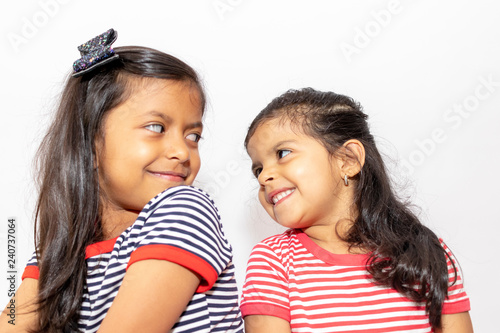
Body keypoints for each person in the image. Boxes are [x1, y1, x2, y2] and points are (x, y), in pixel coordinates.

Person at [0, 29, 243, 333]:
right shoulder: (64, 247)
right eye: (156, 127)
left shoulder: (185, 210)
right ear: (90, 144)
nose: (182, 151)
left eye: (193, 136)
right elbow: (12, 323)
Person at [240, 88, 472, 332]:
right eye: (258, 169)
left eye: (282, 153)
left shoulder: (426, 253)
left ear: (348, 159)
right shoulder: (273, 262)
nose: (264, 176)